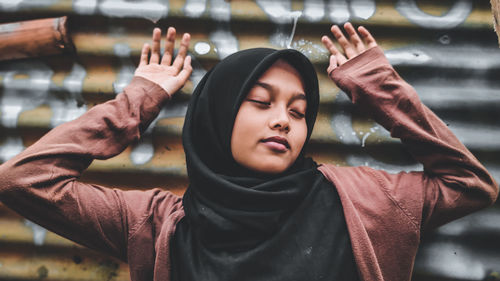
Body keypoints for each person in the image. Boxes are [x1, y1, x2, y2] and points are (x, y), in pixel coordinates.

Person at [0, 23, 497, 281]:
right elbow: (23, 180)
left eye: (300, 112)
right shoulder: (154, 225)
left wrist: (379, 90)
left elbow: (470, 185)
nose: (283, 119)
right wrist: (138, 102)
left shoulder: (367, 204)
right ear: (216, 115)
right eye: (260, 103)